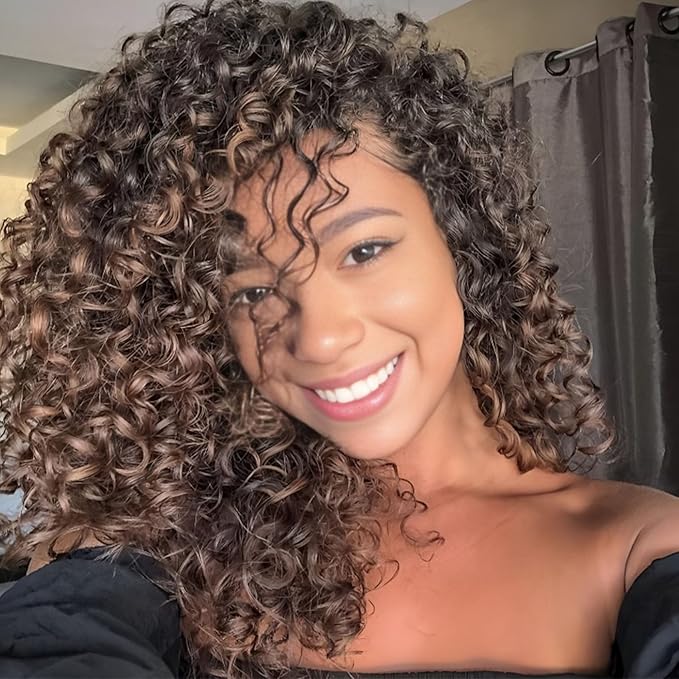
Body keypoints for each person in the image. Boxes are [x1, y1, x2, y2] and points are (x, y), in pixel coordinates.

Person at [0, 1, 678, 678]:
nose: (320, 339)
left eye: (364, 250)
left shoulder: (635, 550)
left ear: (462, 239)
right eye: (251, 292)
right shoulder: (176, 552)